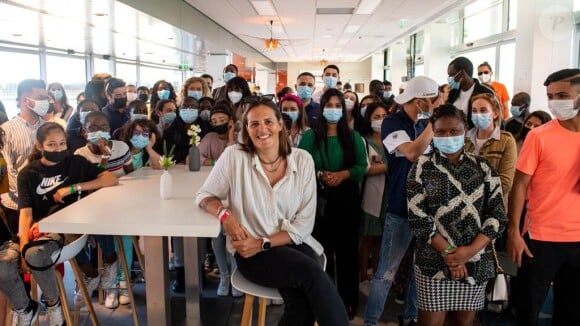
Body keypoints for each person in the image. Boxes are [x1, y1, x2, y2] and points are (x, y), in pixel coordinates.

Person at [196, 98, 350, 325]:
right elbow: (204, 195)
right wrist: (224, 215)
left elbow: (304, 224)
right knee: (312, 275)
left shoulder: (303, 160)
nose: (262, 129)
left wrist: (263, 242)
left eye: (268, 121)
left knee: (302, 302)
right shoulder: (234, 156)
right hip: (251, 253)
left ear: (280, 124)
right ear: (246, 129)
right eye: (254, 124)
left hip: (291, 243)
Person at [407, 104, 507, 326]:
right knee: (430, 322)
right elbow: (418, 218)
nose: (447, 136)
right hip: (433, 261)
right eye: (441, 132)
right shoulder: (422, 167)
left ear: (465, 130)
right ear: (433, 132)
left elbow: (497, 216)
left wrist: (468, 252)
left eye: (454, 131)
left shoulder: (484, 168)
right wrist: (451, 254)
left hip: (476, 260)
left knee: (464, 322)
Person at [17, 122, 118, 324]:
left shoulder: (76, 163)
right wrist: (23, 248)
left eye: (62, 143)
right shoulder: (28, 174)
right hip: (50, 230)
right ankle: (64, 296)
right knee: (39, 250)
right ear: (39, 145)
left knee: (100, 212)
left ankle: (109, 262)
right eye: (52, 145)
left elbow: (109, 179)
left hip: (79, 225)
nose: (59, 149)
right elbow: (25, 214)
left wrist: (74, 188)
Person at [364, 76, 441, 326]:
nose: (435, 104)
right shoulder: (392, 123)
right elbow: (412, 152)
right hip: (401, 207)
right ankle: (371, 322)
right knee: (386, 273)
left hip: (428, 210)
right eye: (432, 101)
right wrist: (434, 121)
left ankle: (410, 316)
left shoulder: (424, 123)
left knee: (419, 273)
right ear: (419, 101)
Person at [507, 69, 580, 326]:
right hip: (540, 238)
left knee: (571, 312)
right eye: (550, 96)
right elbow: (520, 186)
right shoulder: (539, 136)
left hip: (578, 239)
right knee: (528, 310)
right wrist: (514, 233)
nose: (555, 101)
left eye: (562, 95)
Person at [299, 88, 367, 319]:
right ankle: (324, 302)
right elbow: (301, 166)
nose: (334, 110)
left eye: (339, 106)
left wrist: (343, 175)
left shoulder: (354, 137)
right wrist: (320, 175)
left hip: (346, 199)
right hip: (319, 201)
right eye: (329, 105)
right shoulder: (309, 137)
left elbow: (361, 167)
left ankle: (348, 302)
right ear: (322, 108)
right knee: (322, 253)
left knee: (348, 254)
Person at [1, 79, 47, 235]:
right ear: (25, 100)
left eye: (46, 98)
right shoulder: (6, 131)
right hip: (16, 204)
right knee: (24, 250)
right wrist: (26, 199)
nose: (45, 102)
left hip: (45, 200)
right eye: (40, 98)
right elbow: (10, 169)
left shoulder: (48, 127)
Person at [464, 93, 517, 208]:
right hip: (465, 207)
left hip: (492, 208)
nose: (478, 115)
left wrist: (472, 195)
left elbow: (505, 183)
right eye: (474, 111)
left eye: (483, 110)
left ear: (495, 114)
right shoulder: (464, 139)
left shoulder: (506, 141)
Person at [358, 102, 389, 282]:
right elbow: (366, 169)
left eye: (384, 117)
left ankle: (376, 275)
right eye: (376, 117)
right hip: (371, 197)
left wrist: (383, 167)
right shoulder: (364, 141)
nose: (380, 121)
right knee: (368, 239)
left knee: (381, 240)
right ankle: (363, 276)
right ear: (368, 119)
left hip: (388, 196)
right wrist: (390, 167)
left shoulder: (391, 141)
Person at [446, 57, 495, 129]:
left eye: (451, 75)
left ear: (462, 73)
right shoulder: (453, 93)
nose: (449, 78)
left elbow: (496, 119)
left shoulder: (485, 92)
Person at [199, 102, 236, 166]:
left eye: (222, 120)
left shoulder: (240, 137)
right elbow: (191, 158)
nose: (218, 124)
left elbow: (233, 161)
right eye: (214, 122)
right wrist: (215, 162)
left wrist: (231, 138)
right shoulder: (209, 137)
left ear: (230, 120)